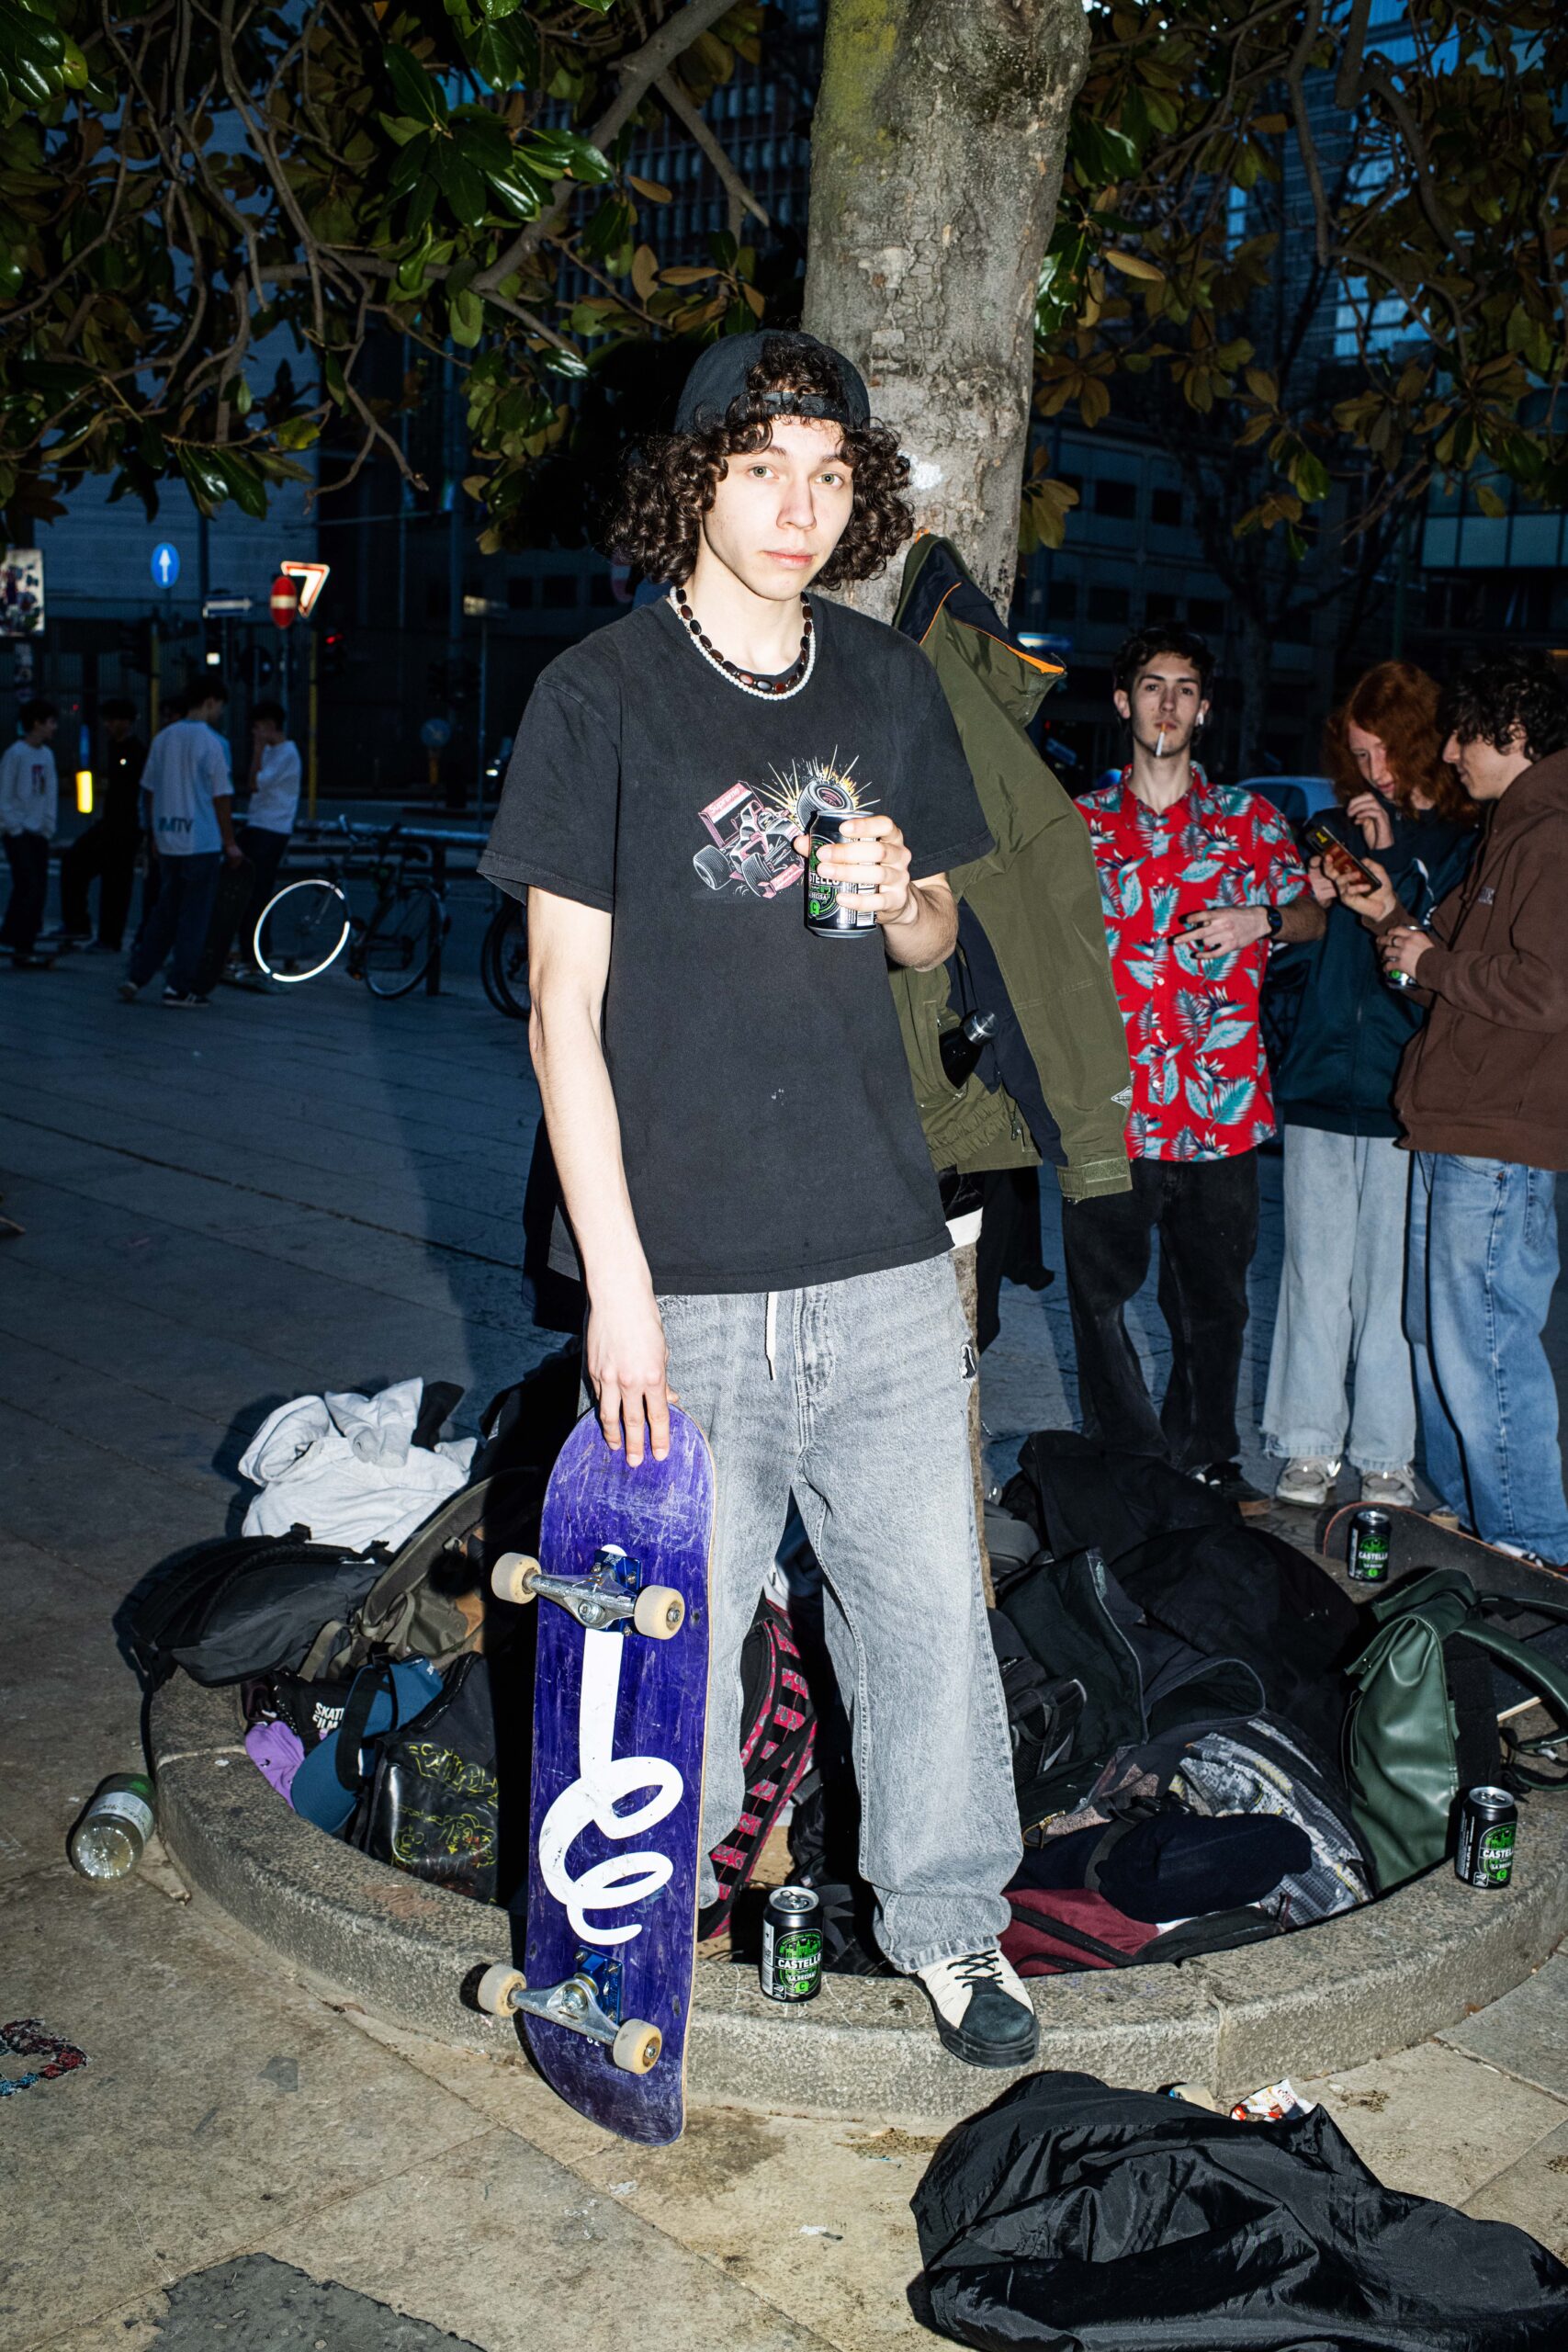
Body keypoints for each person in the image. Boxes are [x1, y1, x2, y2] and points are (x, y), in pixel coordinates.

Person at [479, 330, 1036, 2068]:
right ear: (693, 481)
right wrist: (617, 1289)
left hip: (881, 1248)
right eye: (758, 470)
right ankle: (649, 1933)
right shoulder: (600, 696)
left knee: (930, 1618)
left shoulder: (885, 684)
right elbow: (561, 1015)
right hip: (689, 1278)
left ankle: (954, 1933)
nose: (795, 508)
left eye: (825, 475)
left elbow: (942, 931)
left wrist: (900, 900)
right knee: (671, 1650)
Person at [1064, 628, 1325, 1509]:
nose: (1166, 703)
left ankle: (1206, 1451)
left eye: (1183, 689)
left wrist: (1262, 919)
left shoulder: (1250, 824)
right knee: (1100, 1303)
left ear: (1203, 710)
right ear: (1121, 702)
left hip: (1220, 1108)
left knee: (1213, 1306)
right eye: (1150, 686)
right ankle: (1128, 1458)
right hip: (1111, 1109)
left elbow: (1311, 920)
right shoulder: (1078, 827)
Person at [1350, 651, 1568, 1565]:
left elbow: (1550, 990)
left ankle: (1529, 1555)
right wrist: (1406, 944)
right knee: (1439, 1337)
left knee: (1482, 1348)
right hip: (1460, 1124)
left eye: (1463, 732)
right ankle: (1485, 1538)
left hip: (1500, 1137)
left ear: (1513, 732)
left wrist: (1432, 963)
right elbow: (1481, 991)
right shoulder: (1517, 828)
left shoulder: (1552, 830)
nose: (1448, 750)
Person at [1261, 663, 1478, 1510]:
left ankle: (1387, 1451)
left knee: (1389, 1283)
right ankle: (1307, 1443)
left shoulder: (1461, 845)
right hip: (1320, 1075)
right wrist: (1312, 895)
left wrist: (1390, 862)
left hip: (1402, 1084)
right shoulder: (1326, 827)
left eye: (1388, 752)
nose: (1376, 772)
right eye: (1359, 756)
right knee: (1314, 1273)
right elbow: (1303, 942)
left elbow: (1426, 952)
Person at [118, 681, 242, 1006]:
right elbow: (221, 797)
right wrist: (229, 842)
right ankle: (179, 985)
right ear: (211, 701)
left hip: (169, 840)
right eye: (219, 706)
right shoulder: (213, 743)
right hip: (201, 841)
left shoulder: (163, 738)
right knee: (194, 919)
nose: (220, 713)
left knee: (164, 913)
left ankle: (137, 975)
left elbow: (148, 790)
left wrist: (154, 834)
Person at [56, 697, 147, 953]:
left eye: (112, 720)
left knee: (115, 882)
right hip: (110, 823)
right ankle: (78, 923)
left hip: (126, 827)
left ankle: (109, 936)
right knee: (75, 863)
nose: (108, 725)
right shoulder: (114, 747)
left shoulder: (135, 752)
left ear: (125, 722)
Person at [226, 698, 300, 976]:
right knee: (242, 886)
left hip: (273, 828)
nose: (254, 734)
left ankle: (256, 952)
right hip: (258, 824)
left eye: (257, 728)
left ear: (270, 727)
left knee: (258, 890)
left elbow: (254, 782)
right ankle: (247, 949)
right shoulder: (272, 752)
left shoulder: (287, 753)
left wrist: (257, 750)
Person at [0, 696, 59, 969]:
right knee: (29, 884)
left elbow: (51, 792)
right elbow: (4, 793)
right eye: (50, 722)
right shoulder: (16, 754)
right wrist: (14, 826)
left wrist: (47, 825)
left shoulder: (46, 755)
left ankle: (16, 937)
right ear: (36, 723)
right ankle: (21, 941)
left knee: (34, 886)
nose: (54, 728)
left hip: (37, 830)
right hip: (18, 830)